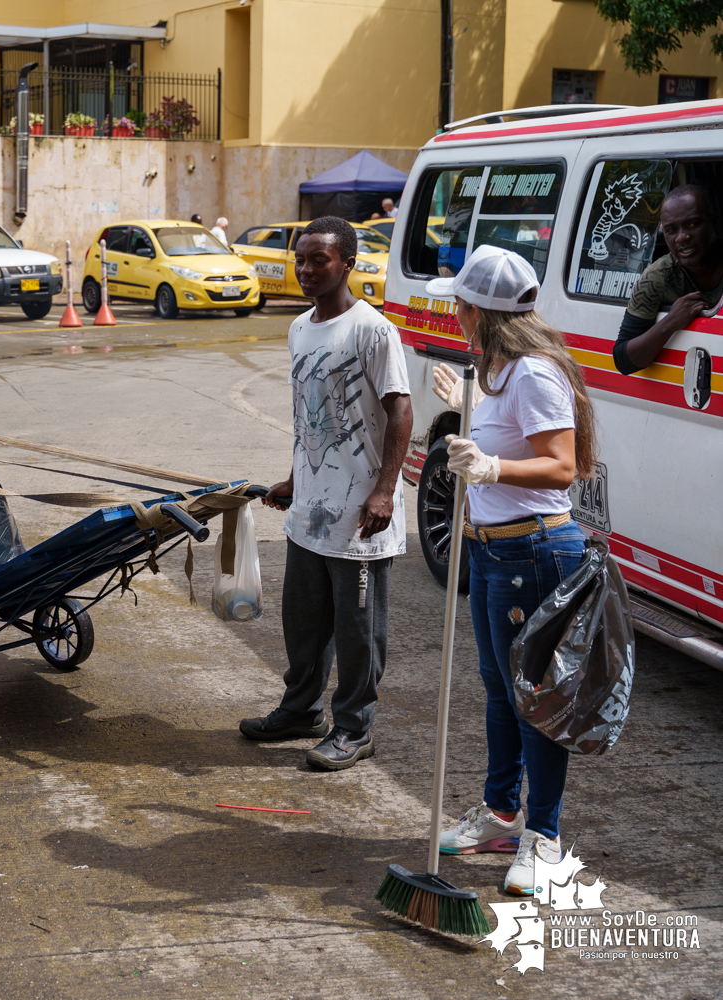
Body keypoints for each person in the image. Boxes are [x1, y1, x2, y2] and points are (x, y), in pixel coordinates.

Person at [425, 245, 595, 896]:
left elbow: (563, 465)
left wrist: (490, 469)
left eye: (460, 305)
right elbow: (503, 439)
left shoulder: (533, 372)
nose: (455, 314)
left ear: (480, 312)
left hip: (536, 554)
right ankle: (500, 815)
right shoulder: (493, 367)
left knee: (537, 703)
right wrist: (468, 413)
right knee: (500, 689)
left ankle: (543, 837)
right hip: (494, 551)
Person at [243, 215, 412, 770]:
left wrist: (385, 491)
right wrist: (295, 477)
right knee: (303, 621)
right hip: (310, 510)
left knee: (359, 629)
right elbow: (306, 419)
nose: (308, 269)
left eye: (321, 259)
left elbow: (400, 412)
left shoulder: (374, 330)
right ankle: (300, 711)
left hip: (361, 514)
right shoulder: (298, 328)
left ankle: (355, 728)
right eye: (302, 259)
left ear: (348, 263)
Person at [613, 184, 723, 374]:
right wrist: (671, 322)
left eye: (692, 224)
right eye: (671, 230)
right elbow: (623, 360)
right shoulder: (657, 278)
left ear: (715, 223)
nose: (681, 238)